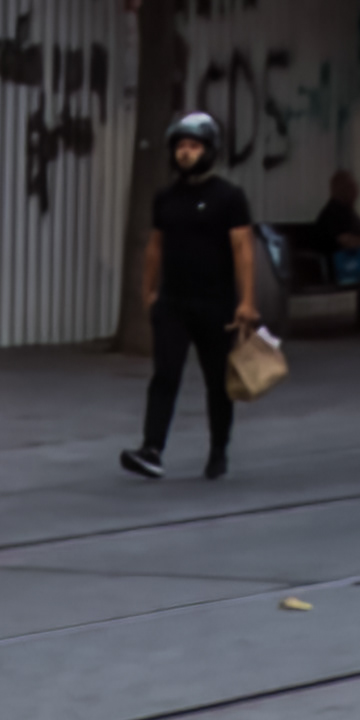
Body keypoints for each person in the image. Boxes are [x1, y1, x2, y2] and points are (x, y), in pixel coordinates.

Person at [121, 109, 255, 481]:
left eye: (194, 146)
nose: (185, 152)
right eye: (181, 146)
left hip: (216, 304)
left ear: (209, 151)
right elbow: (155, 246)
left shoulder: (229, 197)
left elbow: (243, 249)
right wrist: (149, 292)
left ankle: (218, 451)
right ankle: (151, 449)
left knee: (217, 381)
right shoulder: (165, 198)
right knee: (165, 374)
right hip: (174, 303)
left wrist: (246, 301)